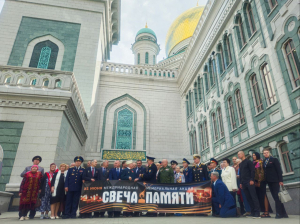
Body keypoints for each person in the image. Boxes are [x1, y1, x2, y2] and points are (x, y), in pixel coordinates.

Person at [262, 149, 288, 219]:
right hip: (269, 181)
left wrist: (280, 180)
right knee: (275, 197)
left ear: (269, 153)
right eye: (264, 153)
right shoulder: (264, 161)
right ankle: (284, 213)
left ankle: (279, 213)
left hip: (275, 181)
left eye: (267, 153)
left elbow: (279, 170)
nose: (266, 154)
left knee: (277, 197)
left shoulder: (274, 160)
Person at [238, 151, 260, 218]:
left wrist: (251, 179)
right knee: (248, 198)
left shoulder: (248, 162)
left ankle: (257, 213)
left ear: (243, 154)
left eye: (239, 154)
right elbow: (241, 174)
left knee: (253, 197)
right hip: (244, 183)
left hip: (249, 181)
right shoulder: (240, 164)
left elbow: (252, 171)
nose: (238, 155)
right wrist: (241, 183)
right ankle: (252, 212)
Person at [252, 152, 273, 218]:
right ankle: (263, 211)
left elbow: (262, 172)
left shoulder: (260, 162)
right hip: (255, 181)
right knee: (259, 196)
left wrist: (259, 181)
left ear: (257, 155)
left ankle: (267, 212)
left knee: (263, 195)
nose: (253, 156)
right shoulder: (253, 163)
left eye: (254, 155)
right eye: (252, 155)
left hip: (261, 181)